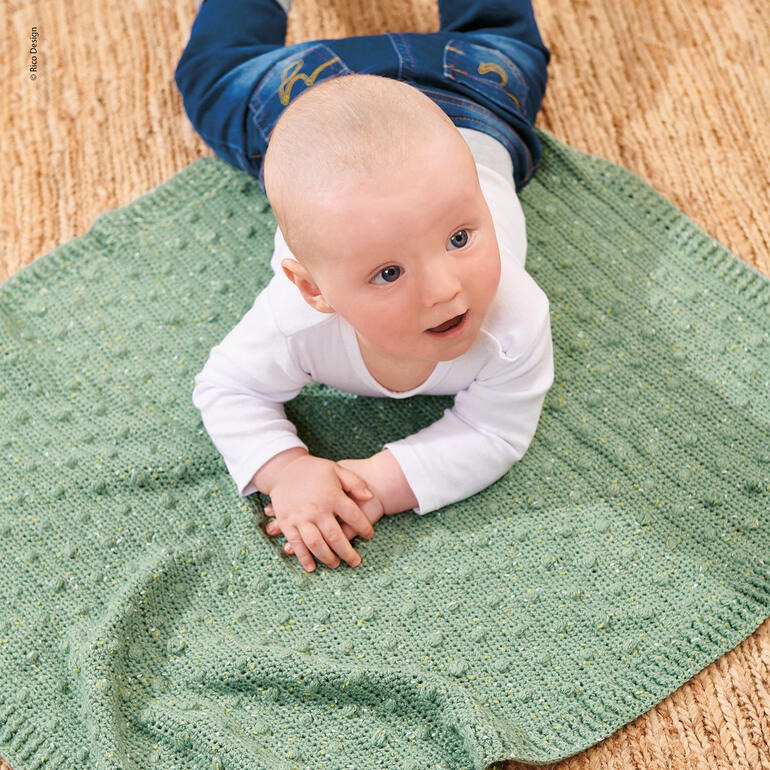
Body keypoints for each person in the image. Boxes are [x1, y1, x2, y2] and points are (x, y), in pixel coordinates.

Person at [176, 0, 555, 573]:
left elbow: (496, 430)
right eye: (388, 273)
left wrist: (376, 484)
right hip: (328, 92)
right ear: (313, 289)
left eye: (459, 237)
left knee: (215, 77)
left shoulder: (516, 318)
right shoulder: (296, 323)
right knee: (209, 79)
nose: (445, 290)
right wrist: (285, 468)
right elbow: (226, 387)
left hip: (469, 99)